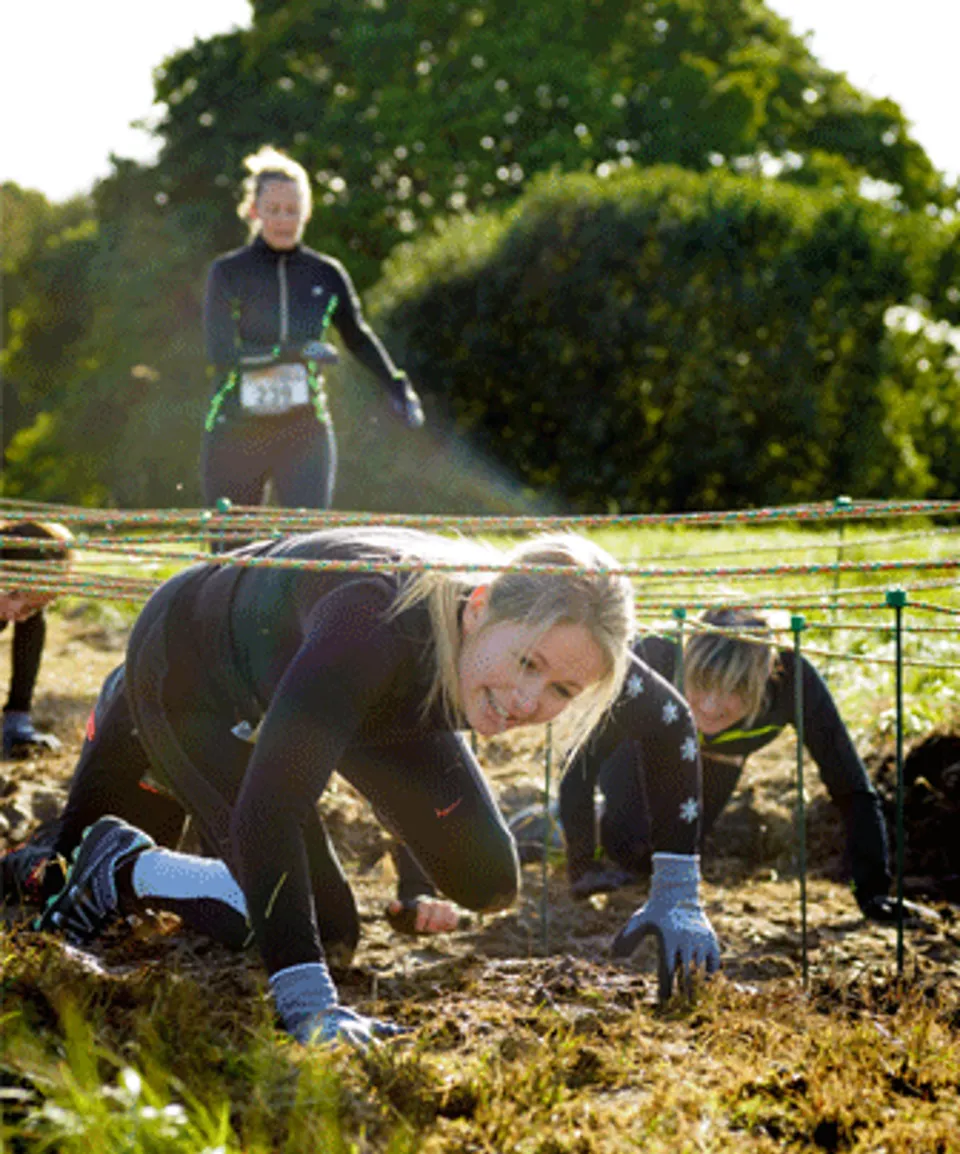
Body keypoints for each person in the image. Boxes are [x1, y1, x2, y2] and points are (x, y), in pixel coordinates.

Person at [31, 526, 704, 1047]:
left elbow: (674, 723)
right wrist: (309, 1003)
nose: (530, 701)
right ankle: (123, 864)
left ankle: (298, 734)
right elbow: (271, 812)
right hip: (196, 670)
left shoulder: (558, 634)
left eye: (563, 689)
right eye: (527, 662)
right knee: (324, 929)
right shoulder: (374, 626)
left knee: (487, 881)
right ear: (478, 608)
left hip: (351, 691)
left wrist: (678, 896)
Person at [557, 606, 899, 923]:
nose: (710, 705)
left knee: (663, 856)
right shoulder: (654, 659)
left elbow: (851, 786)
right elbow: (581, 762)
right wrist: (583, 865)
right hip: (643, 743)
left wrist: (873, 892)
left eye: (735, 689)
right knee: (628, 843)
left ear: (766, 678)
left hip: (722, 755)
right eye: (702, 683)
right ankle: (553, 823)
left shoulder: (793, 682)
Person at [202, 144, 423, 519]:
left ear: (306, 212)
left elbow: (358, 337)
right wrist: (294, 352)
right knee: (230, 555)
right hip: (235, 429)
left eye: (293, 211)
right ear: (255, 212)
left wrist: (397, 386)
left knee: (305, 548)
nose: (284, 220)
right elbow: (221, 355)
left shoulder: (326, 273)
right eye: (273, 211)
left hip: (304, 431)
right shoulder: (228, 273)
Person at [0, 521, 73, 758]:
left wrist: (17, 714)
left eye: (35, 608)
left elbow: (28, 642)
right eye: (14, 595)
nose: (19, 617)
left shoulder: (19, 610)